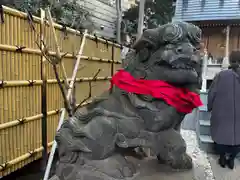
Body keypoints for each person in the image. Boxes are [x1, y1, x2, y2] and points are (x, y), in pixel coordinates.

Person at [208, 51, 240, 169]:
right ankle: (231, 160)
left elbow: (212, 92)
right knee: (238, 138)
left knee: (220, 136)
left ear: (230, 61)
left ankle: (222, 158)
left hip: (221, 112)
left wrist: (209, 106)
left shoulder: (221, 75)